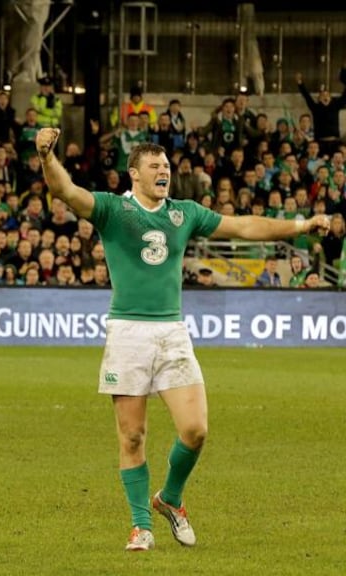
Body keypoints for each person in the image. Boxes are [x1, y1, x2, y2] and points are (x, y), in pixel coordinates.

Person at [35, 129, 331, 551]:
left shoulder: (184, 212)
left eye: (167, 167)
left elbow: (243, 226)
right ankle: (141, 526)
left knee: (195, 430)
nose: (164, 172)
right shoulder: (112, 209)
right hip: (127, 333)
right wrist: (47, 156)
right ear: (133, 174)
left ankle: (170, 499)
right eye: (154, 166)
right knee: (132, 436)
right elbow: (64, 190)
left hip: (171, 332)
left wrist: (301, 223)